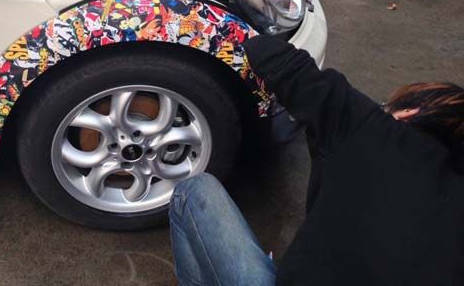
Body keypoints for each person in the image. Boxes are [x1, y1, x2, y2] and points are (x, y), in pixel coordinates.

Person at [169, 35, 464, 286]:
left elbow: (271, 54)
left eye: (387, 105)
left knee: (193, 191)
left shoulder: (376, 131)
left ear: (409, 113)